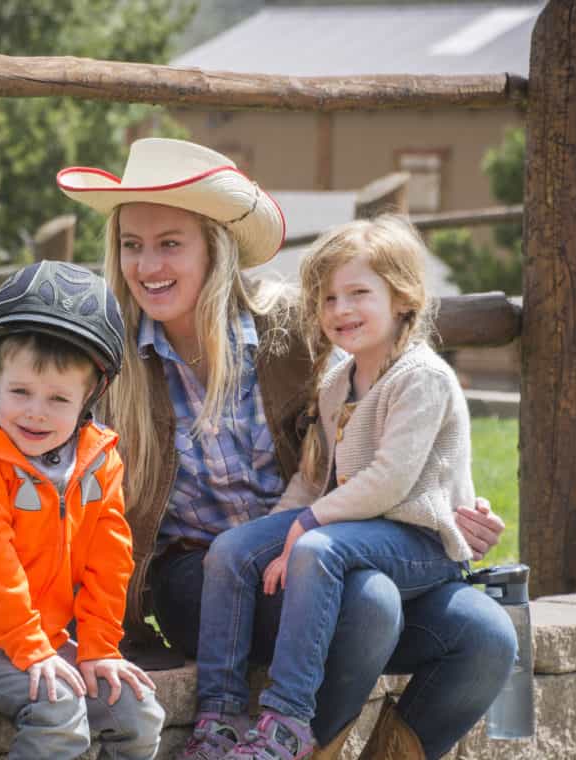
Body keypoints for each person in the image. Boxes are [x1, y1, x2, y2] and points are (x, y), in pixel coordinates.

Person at [57, 138, 517, 760]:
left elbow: (375, 426)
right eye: (131, 245)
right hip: (208, 577)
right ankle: (296, 747)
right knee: (370, 603)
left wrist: (450, 505)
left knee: (486, 636)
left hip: (328, 550)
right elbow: (52, 478)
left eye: (170, 243)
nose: (147, 265)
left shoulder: (293, 332)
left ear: (214, 248)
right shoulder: (110, 361)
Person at [190, 215, 496, 759]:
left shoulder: (420, 378)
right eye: (329, 299)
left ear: (403, 297)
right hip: (362, 528)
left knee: (317, 548)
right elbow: (313, 481)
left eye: (358, 293)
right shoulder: (339, 381)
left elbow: (389, 481)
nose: (341, 310)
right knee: (231, 551)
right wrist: (267, 539)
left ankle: (285, 723)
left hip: (423, 541)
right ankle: (219, 717)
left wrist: (304, 529)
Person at [0, 261, 165, 759]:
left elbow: (109, 562)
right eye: (20, 392)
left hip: (41, 639)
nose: (35, 412)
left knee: (137, 709)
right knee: (57, 712)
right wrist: (32, 650)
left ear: (91, 394)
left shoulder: (100, 461)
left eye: (57, 398)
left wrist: (97, 649)